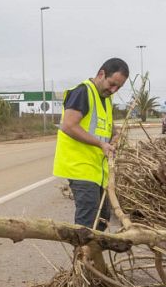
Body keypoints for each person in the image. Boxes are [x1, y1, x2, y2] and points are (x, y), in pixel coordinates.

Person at [53, 58, 129, 232]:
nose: (114, 90)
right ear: (101, 74)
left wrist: (115, 135)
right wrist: (100, 144)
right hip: (80, 167)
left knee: (102, 219)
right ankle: (82, 258)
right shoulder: (82, 92)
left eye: (119, 87)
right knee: (87, 221)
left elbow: (105, 126)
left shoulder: (106, 98)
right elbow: (69, 125)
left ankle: (93, 257)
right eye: (112, 84)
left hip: (97, 169)